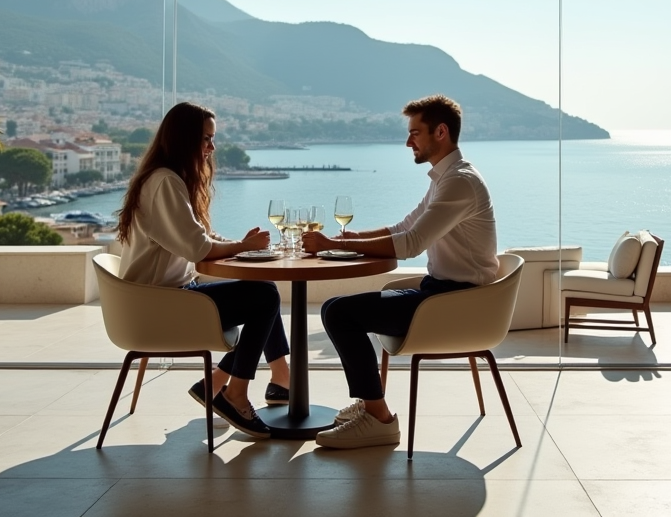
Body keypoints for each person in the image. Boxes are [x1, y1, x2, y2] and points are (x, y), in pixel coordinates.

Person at [302, 94, 498, 450]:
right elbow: (404, 226)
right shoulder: (446, 177)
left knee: (340, 312)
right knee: (336, 309)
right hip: (438, 293)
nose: (408, 141)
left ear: (440, 132)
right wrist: (348, 237)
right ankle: (370, 404)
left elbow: (411, 244)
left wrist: (336, 243)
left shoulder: (460, 182)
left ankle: (379, 419)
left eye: (415, 133)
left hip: (456, 304)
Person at [116, 101, 291, 440]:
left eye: (213, 139)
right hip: (161, 306)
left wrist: (240, 244)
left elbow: (201, 236)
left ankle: (242, 381)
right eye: (206, 139)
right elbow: (198, 249)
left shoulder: (166, 179)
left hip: (163, 300)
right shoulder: (165, 183)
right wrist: (243, 248)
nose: (212, 147)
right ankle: (235, 392)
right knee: (264, 295)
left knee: (261, 289)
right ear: (184, 140)